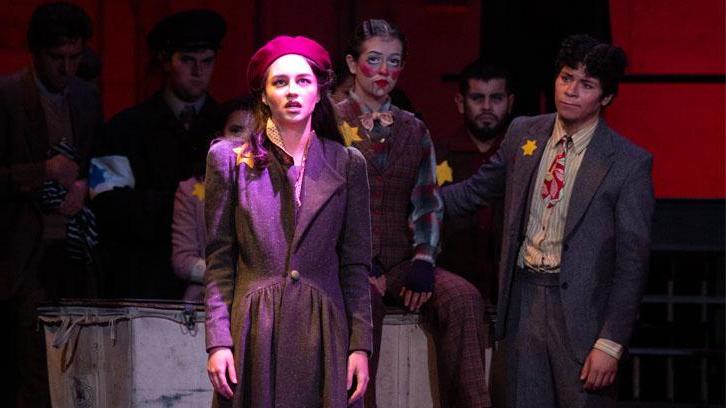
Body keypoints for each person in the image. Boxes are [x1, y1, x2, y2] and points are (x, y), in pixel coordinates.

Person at [442, 34, 654, 407]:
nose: (571, 91)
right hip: (524, 298)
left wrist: (611, 342)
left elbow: (632, 262)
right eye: (566, 77)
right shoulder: (525, 132)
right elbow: (474, 193)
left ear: (605, 97)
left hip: (581, 313)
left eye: (586, 84)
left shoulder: (627, 162)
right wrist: (412, 206)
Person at [204, 35, 372, 407]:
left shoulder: (346, 165)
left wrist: (360, 344)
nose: (292, 91)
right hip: (254, 330)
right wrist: (218, 340)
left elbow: (355, 265)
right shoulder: (230, 160)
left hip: (324, 331)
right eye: (280, 82)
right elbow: (219, 262)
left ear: (319, 91)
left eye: (303, 81)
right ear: (264, 95)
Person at [336, 19, 489, 407]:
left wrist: (424, 258)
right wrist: (356, 263)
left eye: (394, 61)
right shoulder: (327, 121)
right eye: (374, 59)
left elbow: (427, 201)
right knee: (363, 306)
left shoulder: (413, 128)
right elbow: (320, 203)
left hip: (401, 260)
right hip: (349, 264)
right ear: (353, 64)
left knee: (463, 298)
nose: (384, 71)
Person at [0, 2, 100, 405]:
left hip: (75, 254)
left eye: (75, 57)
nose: (67, 68)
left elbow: (106, 162)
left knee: (78, 370)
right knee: (32, 374)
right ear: (36, 54)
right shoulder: (7, 97)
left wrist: (84, 186)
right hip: (24, 257)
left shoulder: (86, 96)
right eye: (57, 58)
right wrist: (42, 170)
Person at [90, 9, 226, 299]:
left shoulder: (227, 125)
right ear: (165, 61)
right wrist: (181, 209)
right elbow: (107, 204)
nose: (198, 72)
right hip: (143, 278)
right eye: (187, 60)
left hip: (212, 286)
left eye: (207, 61)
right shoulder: (123, 128)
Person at [435, 61, 514, 306]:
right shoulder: (436, 154)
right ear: (460, 102)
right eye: (478, 98)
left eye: (496, 98)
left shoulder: (523, 156)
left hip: (510, 293)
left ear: (510, 102)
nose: (487, 107)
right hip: (451, 289)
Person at [171, 100, 251, 302]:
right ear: (219, 136)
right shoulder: (192, 190)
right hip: (207, 301)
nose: (244, 140)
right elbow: (182, 261)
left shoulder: (273, 188)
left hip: (255, 302)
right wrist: (231, 275)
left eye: (254, 132)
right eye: (236, 130)